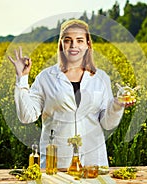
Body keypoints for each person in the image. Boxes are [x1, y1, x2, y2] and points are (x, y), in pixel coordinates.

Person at [8, 19, 135, 169]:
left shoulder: (101, 78)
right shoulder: (46, 77)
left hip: (93, 162)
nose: (74, 45)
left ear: (88, 44)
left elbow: (107, 124)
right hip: (56, 161)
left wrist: (117, 105)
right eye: (68, 40)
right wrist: (22, 79)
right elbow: (26, 116)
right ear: (61, 44)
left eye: (79, 40)